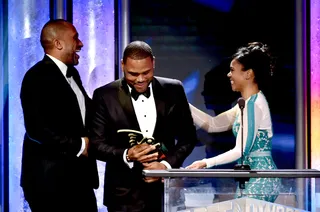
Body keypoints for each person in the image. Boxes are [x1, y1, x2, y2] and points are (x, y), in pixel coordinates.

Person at [89, 40, 198, 212]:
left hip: (165, 193)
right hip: (122, 196)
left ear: (153, 62)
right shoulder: (104, 95)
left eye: (146, 72)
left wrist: (165, 167)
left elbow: (188, 137)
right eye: (133, 74)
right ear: (122, 65)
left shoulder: (174, 89)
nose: (140, 80)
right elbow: (95, 145)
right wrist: (126, 154)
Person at [186, 42, 281, 202]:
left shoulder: (254, 105)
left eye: (232, 70)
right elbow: (213, 124)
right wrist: (182, 101)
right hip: (251, 178)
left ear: (248, 74)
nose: (228, 75)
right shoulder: (245, 103)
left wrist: (206, 162)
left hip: (259, 180)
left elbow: (240, 150)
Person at [20, 19, 99, 212]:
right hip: (49, 184)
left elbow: (87, 114)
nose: (80, 44)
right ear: (58, 44)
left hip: (78, 181)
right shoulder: (36, 76)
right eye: (75, 38)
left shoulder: (73, 74)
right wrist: (81, 144)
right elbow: (37, 130)